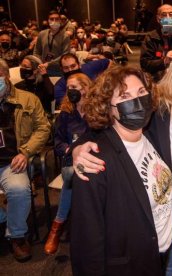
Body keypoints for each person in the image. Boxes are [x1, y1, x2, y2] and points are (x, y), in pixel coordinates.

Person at [72, 39, 172, 275]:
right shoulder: (153, 103)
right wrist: (78, 148)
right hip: (161, 207)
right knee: (161, 269)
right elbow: (106, 124)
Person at [70, 65, 172, 275]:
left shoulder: (149, 134)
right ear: (108, 107)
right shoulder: (95, 161)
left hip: (159, 254)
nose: (136, 101)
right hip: (129, 266)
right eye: (124, 96)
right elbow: (87, 241)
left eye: (141, 92)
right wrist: (75, 150)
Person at [0, 58, 50, 262]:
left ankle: (17, 235)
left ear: (5, 76)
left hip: (13, 161)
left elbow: (43, 128)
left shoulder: (28, 99)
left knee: (19, 189)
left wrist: (26, 152)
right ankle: (6, 218)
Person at [44, 73, 90, 255]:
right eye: (68, 88)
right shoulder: (65, 114)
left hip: (94, 159)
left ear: (85, 88)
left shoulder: (97, 110)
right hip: (71, 161)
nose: (70, 91)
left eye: (74, 87)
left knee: (79, 177)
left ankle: (59, 226)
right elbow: (57, 143)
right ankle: (58, 227)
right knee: (72, 176)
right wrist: (70, 149)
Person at [34, 10, 70, 76]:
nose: (54, 21)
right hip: (43, 69)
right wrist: (39, 63)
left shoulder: (65, 35)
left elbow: (65, 55)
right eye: (51, 19)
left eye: (57, 19)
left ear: (60, 21)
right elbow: (36, 51)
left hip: (59, 70)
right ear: (48, 20)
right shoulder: (42, 34)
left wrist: (48, 64)